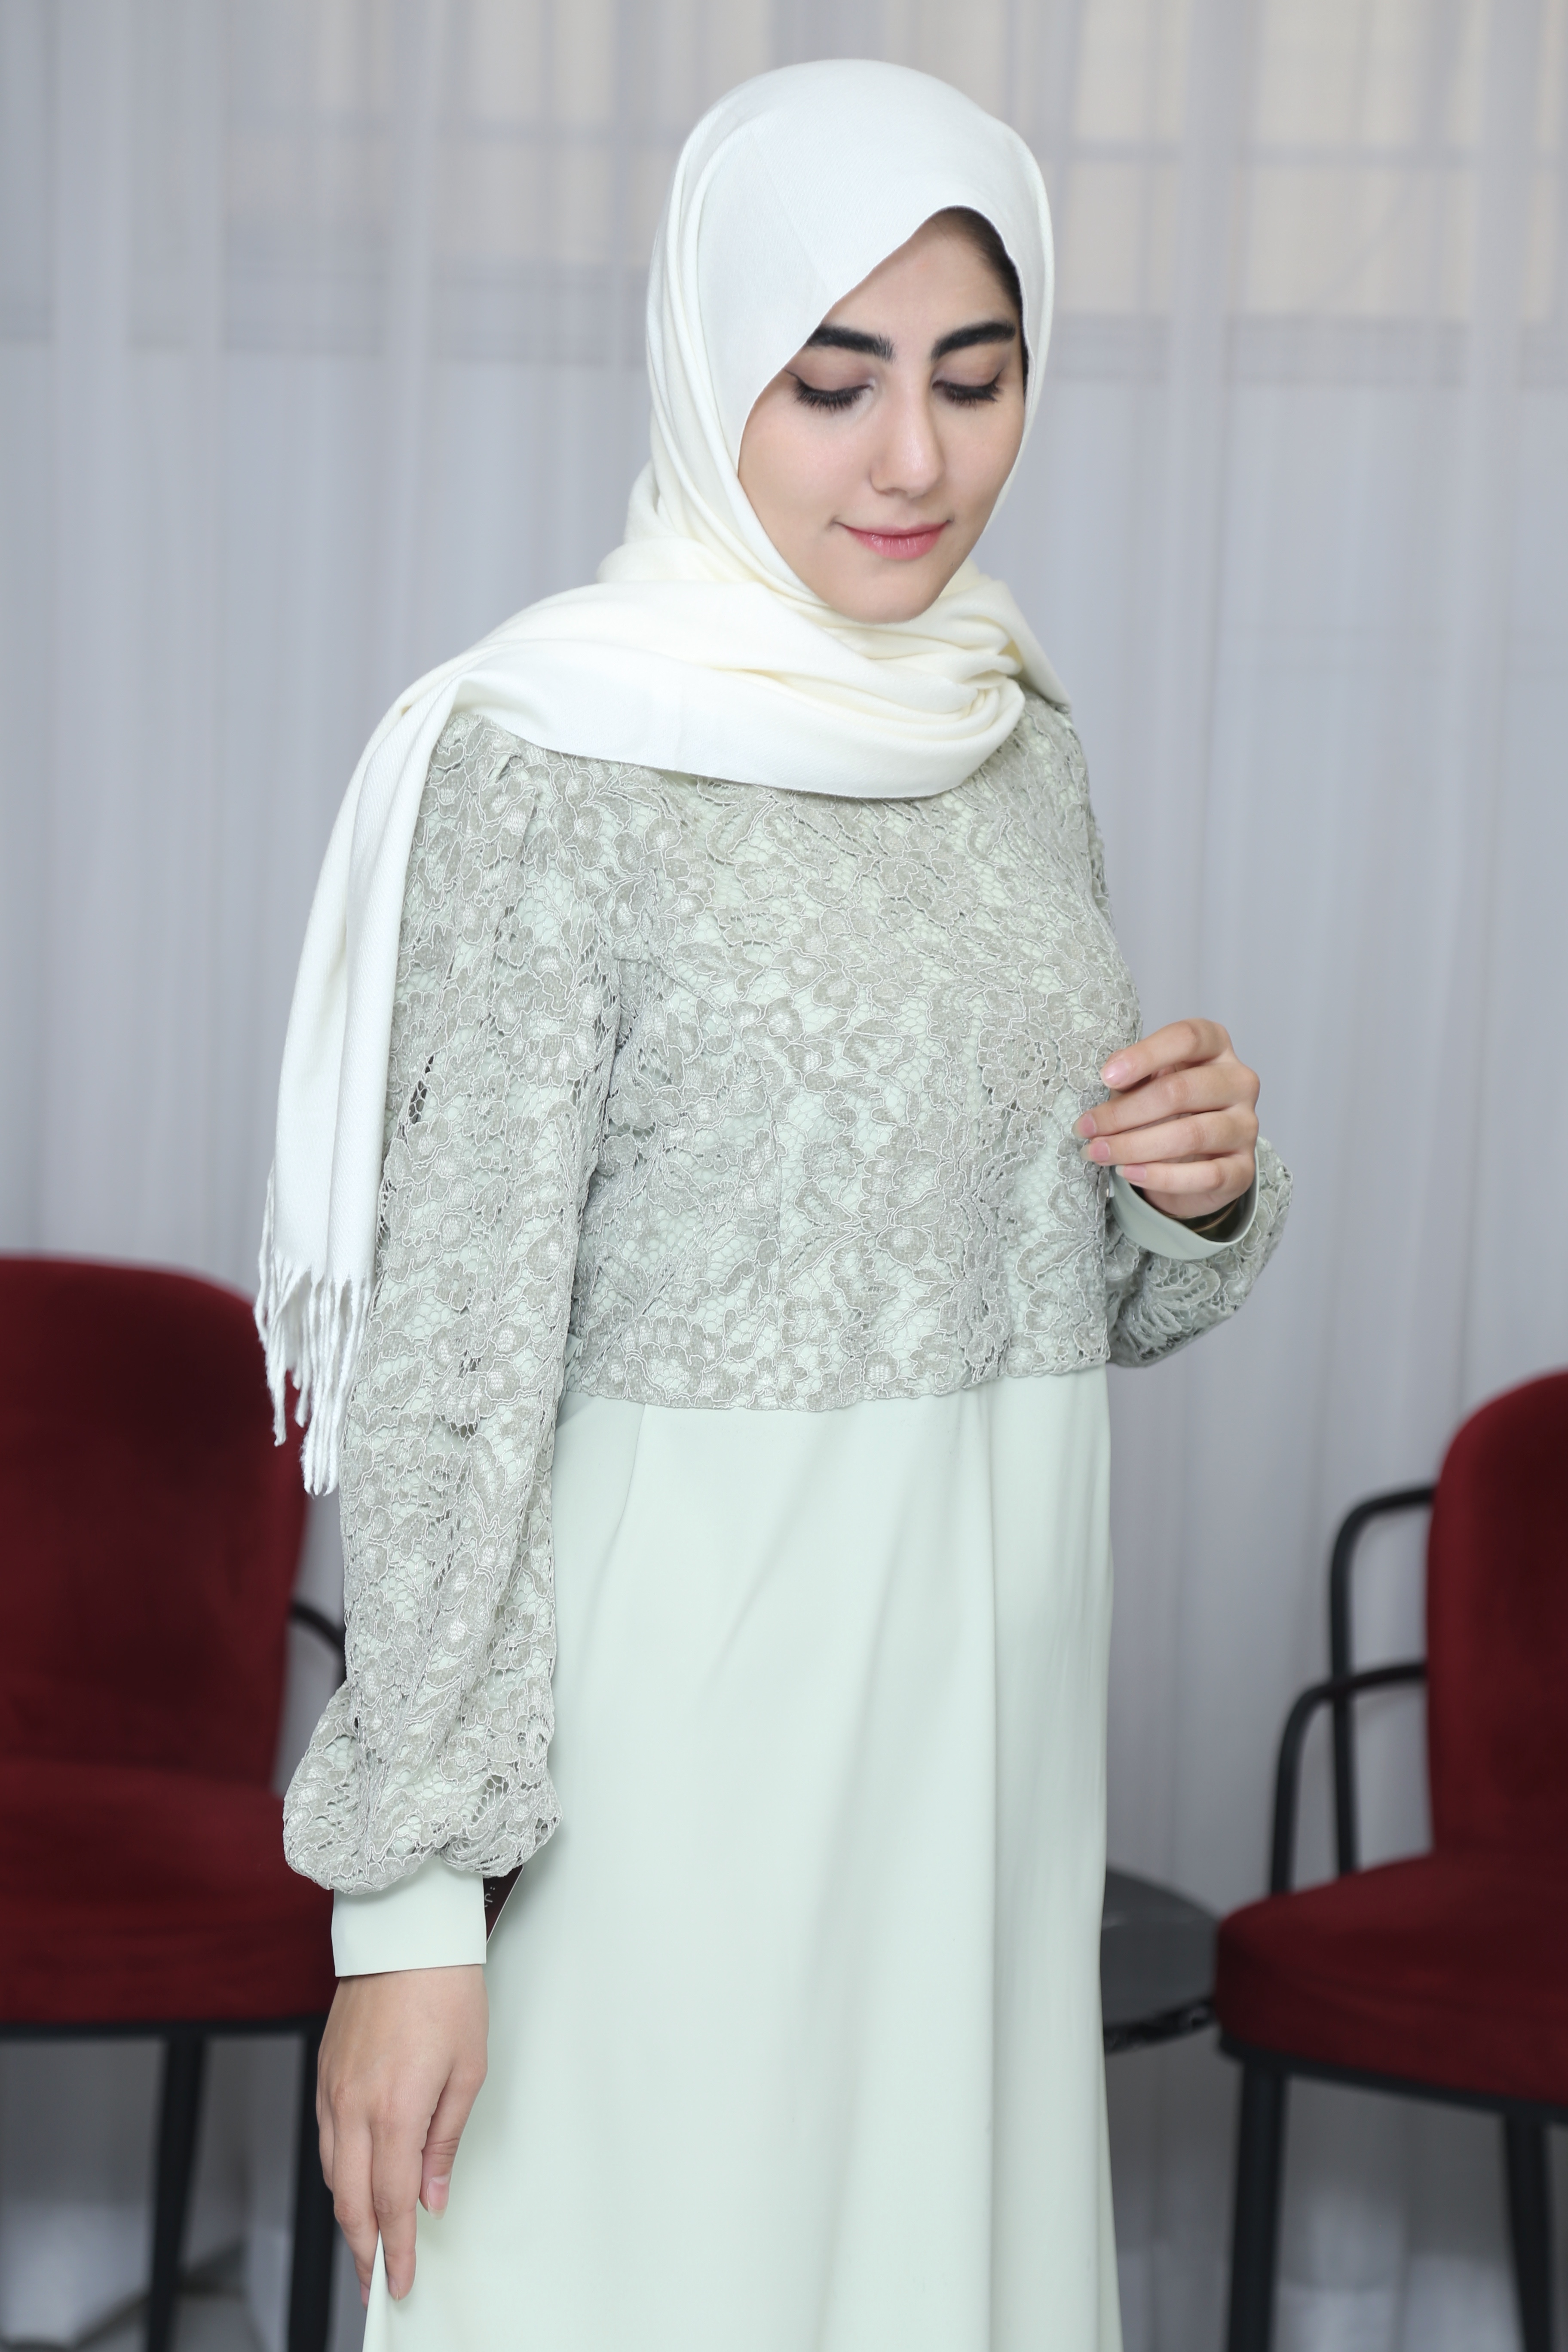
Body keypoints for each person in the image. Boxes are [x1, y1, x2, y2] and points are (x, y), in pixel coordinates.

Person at [259, 58, 1287, 2352]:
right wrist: (407, 1917)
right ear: (711, 358)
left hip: (980, 1752)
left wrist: (1195, 1184)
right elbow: (451, 1360)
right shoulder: (550, 757)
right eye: (832, 383)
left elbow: (1053, 1273)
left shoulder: (1011, 738)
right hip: (672, 1768)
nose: (912, 458)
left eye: (972, 378)